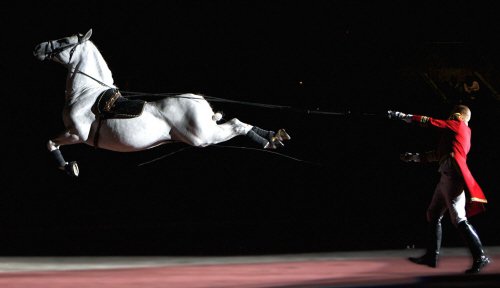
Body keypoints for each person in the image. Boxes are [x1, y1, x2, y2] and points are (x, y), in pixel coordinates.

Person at [388, 105, 490, 274]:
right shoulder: (456, 133)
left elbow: (431, 122)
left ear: (458, 115)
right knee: (433, 214)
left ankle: (480, 257)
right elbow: (439, 154)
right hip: (446, 176)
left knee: (459, 219)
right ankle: (431, 256)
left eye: (453, 115)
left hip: (452, 177)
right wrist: (414, 157)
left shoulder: (457, 125)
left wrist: (404, 116)